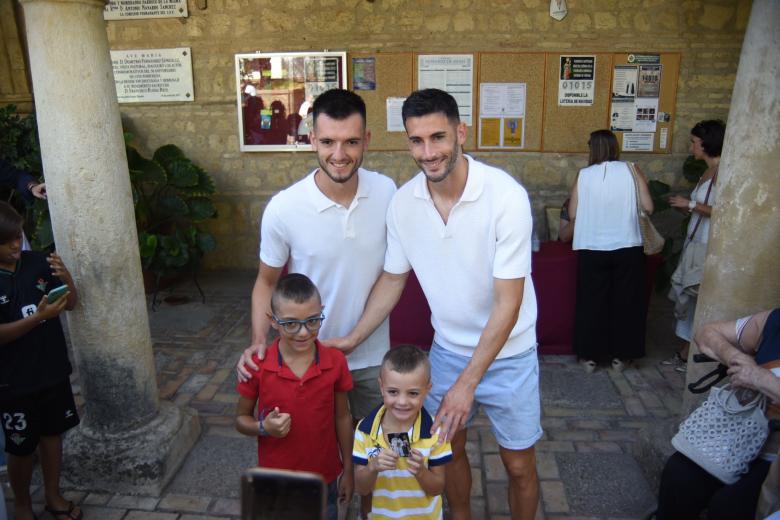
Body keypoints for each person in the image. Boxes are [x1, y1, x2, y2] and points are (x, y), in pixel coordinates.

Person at [329, 88, 542, 520]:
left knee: (519, 464)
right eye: (416, 141)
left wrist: (467, 385)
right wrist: (352, 338)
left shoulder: (505, 196)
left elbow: (509, 303)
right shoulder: (405, 204)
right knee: (450, 449)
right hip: (447, 350)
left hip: (511, 353)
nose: (428, 152)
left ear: (461, 132)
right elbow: (393, 277)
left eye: (438, 137)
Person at [236, 88, 395, 424]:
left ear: (366, 140)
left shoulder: (387, 193)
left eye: (351, 142)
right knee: (312, 449)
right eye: (327, 142)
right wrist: (258, 339)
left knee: (373, 451)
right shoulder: (284, 208)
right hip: (305, 357)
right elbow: (266, 282)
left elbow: (393, 274)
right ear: (312, 139)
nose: (339, 154)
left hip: (370, 356)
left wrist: (355, 338)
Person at [235, 273, 354, 520]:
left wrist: (349, 470)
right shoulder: (258, 365)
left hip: (325, 478)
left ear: (321, 312)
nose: (303, 333)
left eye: (312, 321)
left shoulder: (335, 362)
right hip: (276, 479)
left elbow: (342, 417)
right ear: (273, 321)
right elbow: (240, 419)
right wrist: (263, 427)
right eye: (291, 323)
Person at [655, 308, 780, 520]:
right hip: (742, 435)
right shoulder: (774, 321)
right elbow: (707, 334)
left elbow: (762, 380)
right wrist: (736, 357)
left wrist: (763, 380)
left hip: (774, 459)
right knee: (679, 475)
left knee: (730, 507)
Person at [0, 201, 80, 520]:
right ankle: (22, 505)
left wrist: (68, 279)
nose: (16, 245)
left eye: (18, 236)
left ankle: (52, 495)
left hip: (52, 369)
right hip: (13, 380)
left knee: (52, 434)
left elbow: (71, 303)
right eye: (7, 241)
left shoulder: (38, 263)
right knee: (20, 447)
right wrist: (39, 318)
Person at [567, 129, 653, 373]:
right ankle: (621, 356)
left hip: (592, 245)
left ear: (592, 149)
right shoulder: (632, 169)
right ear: (615, 147)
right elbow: (648, 206)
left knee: (591, 302)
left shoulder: (583, 175)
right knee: (626, 302)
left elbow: (573, 213)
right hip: (627, 244)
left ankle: (590, 356)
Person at [353, 345, 452, 519]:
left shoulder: (436, 433)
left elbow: (437, 488)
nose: (402, 402)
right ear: (381, 387)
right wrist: (373, 466)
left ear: (427, 390)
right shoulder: (364, 430)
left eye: (413, 393)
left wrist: (421, 471)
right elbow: (361, 488)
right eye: (393, 392)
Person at [665, 120, 725, 373]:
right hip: (695, 242)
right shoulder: (707, 170)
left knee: (695, 297)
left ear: (706, 143)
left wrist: (689, 205)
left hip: (705, 246)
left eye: (693, 142)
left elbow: (723, 212)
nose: (691, 147)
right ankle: (685, 353)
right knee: (689, 301)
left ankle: (690, 355)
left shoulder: (723, 171)